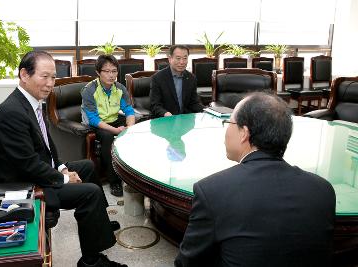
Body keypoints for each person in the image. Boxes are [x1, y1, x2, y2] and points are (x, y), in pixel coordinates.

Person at [0, 51, 127, 267]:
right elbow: (27, 165)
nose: (50, 83)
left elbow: (47, 146)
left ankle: (101, 224)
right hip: (24, 183)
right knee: (89, 193)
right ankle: (91, 261)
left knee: (87, 167)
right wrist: (63, 179)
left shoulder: (33, 102)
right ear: (24, 74)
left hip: (39, 169)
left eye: (53, 77)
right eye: (44, 76)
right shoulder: (12, 112)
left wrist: (61, 167)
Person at [175, 92, 336, 267]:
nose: (226, 130)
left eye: (228, 123)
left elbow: (187, 263)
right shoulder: (323, 190)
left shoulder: (213, 192)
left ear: (244, 133)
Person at [81, 55, 135, 197]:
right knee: (108, 137)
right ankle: (114, 181)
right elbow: (92, 119)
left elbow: (129, 110)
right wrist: (116, 130)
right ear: (98, 72)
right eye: (107, 71)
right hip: (97, 124)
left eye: (114, 71)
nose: (111, 75)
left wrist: (130, 127)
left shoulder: (120, 88)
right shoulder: (89, 90)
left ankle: (132, 175)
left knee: (136, 130)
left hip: (115, 119)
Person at [150, 45, 204, 118]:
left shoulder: (191, 78)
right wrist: (165, 113)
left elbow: (194, 103)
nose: (182, 62)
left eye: (185, 58)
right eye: (178, 58)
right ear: (170, 59)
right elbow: (155, 105)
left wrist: (207, 110)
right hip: (165, 121)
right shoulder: (158, 78)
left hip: (185, 122)